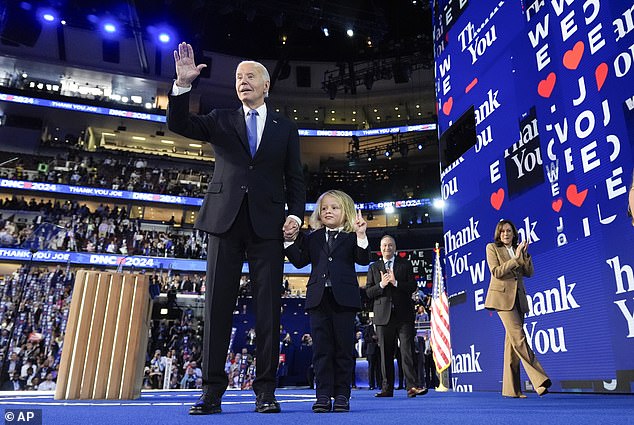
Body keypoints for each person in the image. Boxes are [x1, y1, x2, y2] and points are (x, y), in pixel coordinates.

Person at [168, 42, 306, 415]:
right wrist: (182, 87)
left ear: (266, 86)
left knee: (269, 310)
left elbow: (296, 179)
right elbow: (179, 124)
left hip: (268, 226)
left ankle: (265, 391)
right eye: (238, 77)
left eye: (249, 77)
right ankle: (212, 392)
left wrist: (296, 214)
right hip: (224, 222)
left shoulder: (285, 128)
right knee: (216, 307)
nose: (242, 82)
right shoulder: (220, 118)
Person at [284, 190, 370, 413]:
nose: (328, 211)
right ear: (318, 214)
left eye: (334, 207)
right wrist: (287, 241)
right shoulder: (312, 237)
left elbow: (363, 259)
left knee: (343, 349)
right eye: (324, 208)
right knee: (321, 351)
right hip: (318, 300)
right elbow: (300, 261)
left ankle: (342, 394)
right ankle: (322, 395)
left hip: (345, 301)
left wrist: (361, 235)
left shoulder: (352, 237)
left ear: (347, 211)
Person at [484, 219, 551, 398]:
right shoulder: (492, 248)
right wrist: (515, 259)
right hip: (502, 299)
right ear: (498, 234)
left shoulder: (518, 250)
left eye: (509, 231)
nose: (506, 234)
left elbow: (529, 273)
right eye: (503, 231)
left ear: (514, 234)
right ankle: (540, 379)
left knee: (512, 345)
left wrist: (524, 255)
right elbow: (497, 272)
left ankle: (511, 390)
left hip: (518, 300)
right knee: (519, 338)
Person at [365, 235, 428, 398]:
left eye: (390, 245)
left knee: (407, 351)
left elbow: (413, 286)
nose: (387, 248)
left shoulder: (404, 264)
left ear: (395, 247)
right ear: (380, 248)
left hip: (404, 315)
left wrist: (396, 283)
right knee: (385, 354)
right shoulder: (374, 267)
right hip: (382, 316)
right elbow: (368, 292)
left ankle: (412, 387)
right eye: (385, 245)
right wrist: (382, 284)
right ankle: (387, 388)